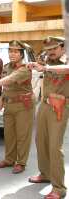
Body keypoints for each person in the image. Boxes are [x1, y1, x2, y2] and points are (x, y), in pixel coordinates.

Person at [0, 40, 35, 174]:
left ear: (21, 54)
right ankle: (9, 159)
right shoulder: (7, 66)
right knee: (9, 134)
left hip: (23, 105)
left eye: (16, 51)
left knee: (22, 136)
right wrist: (1, 97)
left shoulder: (25, 68)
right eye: (10, 51)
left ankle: (21, 162)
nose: (12, 54)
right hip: (9, 104)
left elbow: (9, 80)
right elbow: (6, 86)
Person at [27, 36, 69, 199]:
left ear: (63, 47)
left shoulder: (65, 61)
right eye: (48, 50)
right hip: (44, 104)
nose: (50, 52)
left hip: (59, 106)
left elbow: (66, 69)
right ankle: (45, 174)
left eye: (54, 49)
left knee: (54, 147)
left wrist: (44, 68)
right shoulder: (47, 60)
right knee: (40, 141)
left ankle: (59, 188)